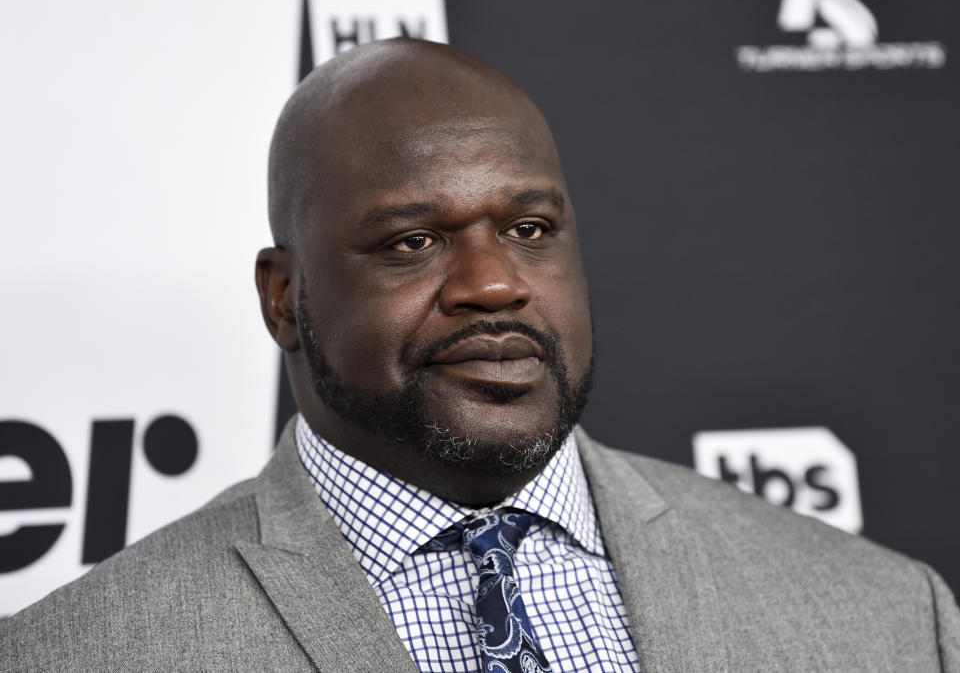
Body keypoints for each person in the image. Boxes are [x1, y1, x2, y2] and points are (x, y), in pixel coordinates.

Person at [2, 38, 958, 673]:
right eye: (412, 243)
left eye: (531, 228)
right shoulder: (82, 654)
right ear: (284, 300)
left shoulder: (886, 622)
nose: (494, 285)